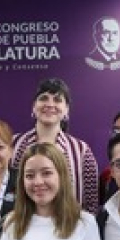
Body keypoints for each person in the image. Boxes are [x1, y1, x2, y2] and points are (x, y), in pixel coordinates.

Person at [11, 78, 99, 215]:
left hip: (69, 226)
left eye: (57, 100)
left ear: (66, 109)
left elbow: (91, 205)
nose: (50, 104)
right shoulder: (14, 144)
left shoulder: (81, 150)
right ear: (34, 106)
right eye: (44, 98)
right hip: (24, 224)